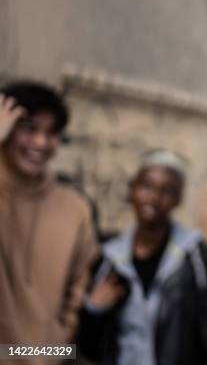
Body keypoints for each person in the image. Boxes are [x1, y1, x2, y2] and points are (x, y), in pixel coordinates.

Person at [77, 150, 207, 365]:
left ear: (178, 199)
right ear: (132, 189)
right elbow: (87, 349)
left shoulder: (195, 256)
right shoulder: (109, 259)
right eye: (147, 186)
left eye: (166, 191)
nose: (154, 198)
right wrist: (94, 310)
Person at [0, 81, 99, 364]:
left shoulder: (74, 208)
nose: (41, 143)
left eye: (52, 132)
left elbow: (80, 289)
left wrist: (56, 343)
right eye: (29, 129)